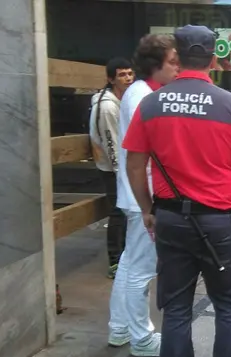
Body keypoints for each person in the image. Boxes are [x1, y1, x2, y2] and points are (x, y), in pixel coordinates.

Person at [122, 25, 231, 357]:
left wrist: (147, 209)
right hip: (219, 222)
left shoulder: (151, 104)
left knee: (176, 309)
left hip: (170, 219)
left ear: (178, 58)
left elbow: (135, 165)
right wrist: (226, 194)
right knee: (230, 308)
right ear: (214, 59)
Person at [108, 35, 179, 357]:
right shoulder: (143, 97)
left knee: (130, 263)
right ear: (155, 65)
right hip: (144, 197)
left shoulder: (141, 92)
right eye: (173, 62)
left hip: (137, 195)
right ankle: (142, 338)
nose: (177, 68)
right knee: (142, 269)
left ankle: (120, 327)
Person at [89, 57, 134, 279]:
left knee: (125, 212)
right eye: (122, 75)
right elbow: (111, 143)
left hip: (122, 166)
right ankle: (115, 261)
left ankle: (125, 257)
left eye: (130, 73)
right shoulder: (107, 107)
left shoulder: (121, 100)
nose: (128, 78)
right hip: (112, 169)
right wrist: (121, 173)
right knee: (118, 212)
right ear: (111, 79)